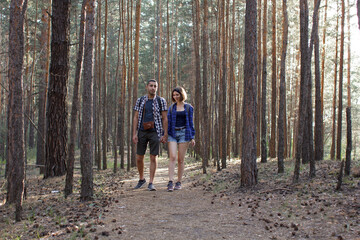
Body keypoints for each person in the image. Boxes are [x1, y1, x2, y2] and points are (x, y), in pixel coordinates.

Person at [132, 79, 168, 191]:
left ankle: (151, 182)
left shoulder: (161, 101)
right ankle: (142, 179)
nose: (153, 88)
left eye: (155, 86)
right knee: (139, 157)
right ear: (147, 87)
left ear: (157, 88)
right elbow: (136, 117)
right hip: (142, 131)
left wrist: (165, 134)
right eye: (151, 86)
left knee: (153, 157)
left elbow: (165, 118)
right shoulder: (141, 100)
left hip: (155, 131)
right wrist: (134, 133)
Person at [166, 87, 195, 192]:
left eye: (177, 95)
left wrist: (192, 137)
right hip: (172, 133)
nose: (175, 97)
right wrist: (165, 135)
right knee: (173, 157)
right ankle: (170, 181)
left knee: (181, 159)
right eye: (174, 95)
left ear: (182, 95)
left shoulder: (188, 107)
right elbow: (167, 122)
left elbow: (191, 123)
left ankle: (178, 182)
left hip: (184, 133)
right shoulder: (171, 108)